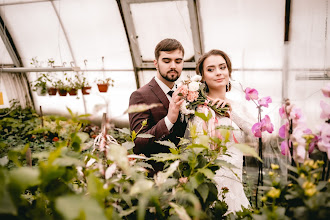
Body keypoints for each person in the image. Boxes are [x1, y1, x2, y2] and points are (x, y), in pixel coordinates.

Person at [191, 49, 252, 214]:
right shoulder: (196, 110)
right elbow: (191, 148)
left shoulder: (238, 107)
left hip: (236, 185)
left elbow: (260, 135)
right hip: (208, 187)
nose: (218, 73)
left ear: (229, 71)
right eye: (210, 69)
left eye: (222, 67)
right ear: (202, 76)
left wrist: (232, 113)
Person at [128, 38, 187, 175]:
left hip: (187, 174)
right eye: (167, 61)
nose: (173, 66)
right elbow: (137, 144)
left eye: (178, 61)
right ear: (156, 63)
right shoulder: (140, 96)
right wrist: (169, 120)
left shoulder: (187, 92)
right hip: (158, 178)